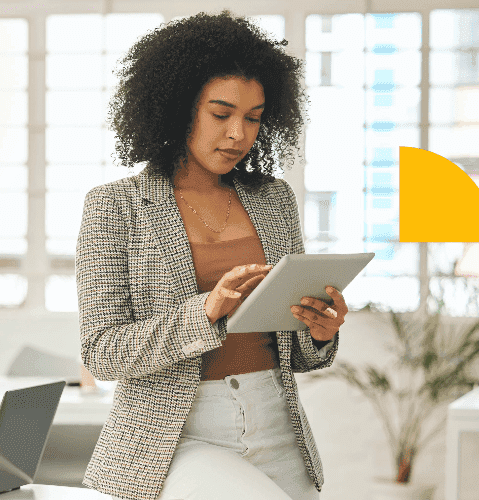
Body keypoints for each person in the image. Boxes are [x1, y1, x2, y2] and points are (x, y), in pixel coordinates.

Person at [76, 10, 347, 500]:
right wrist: (205, 310)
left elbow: (297, 353)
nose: (238, 134)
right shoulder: (115, 206)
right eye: (221, 114)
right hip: (178, 438)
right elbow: (102, 352)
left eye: (253, 118)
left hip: (277, 427)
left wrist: (318, 333)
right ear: (180, 107)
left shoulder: (274, 199)